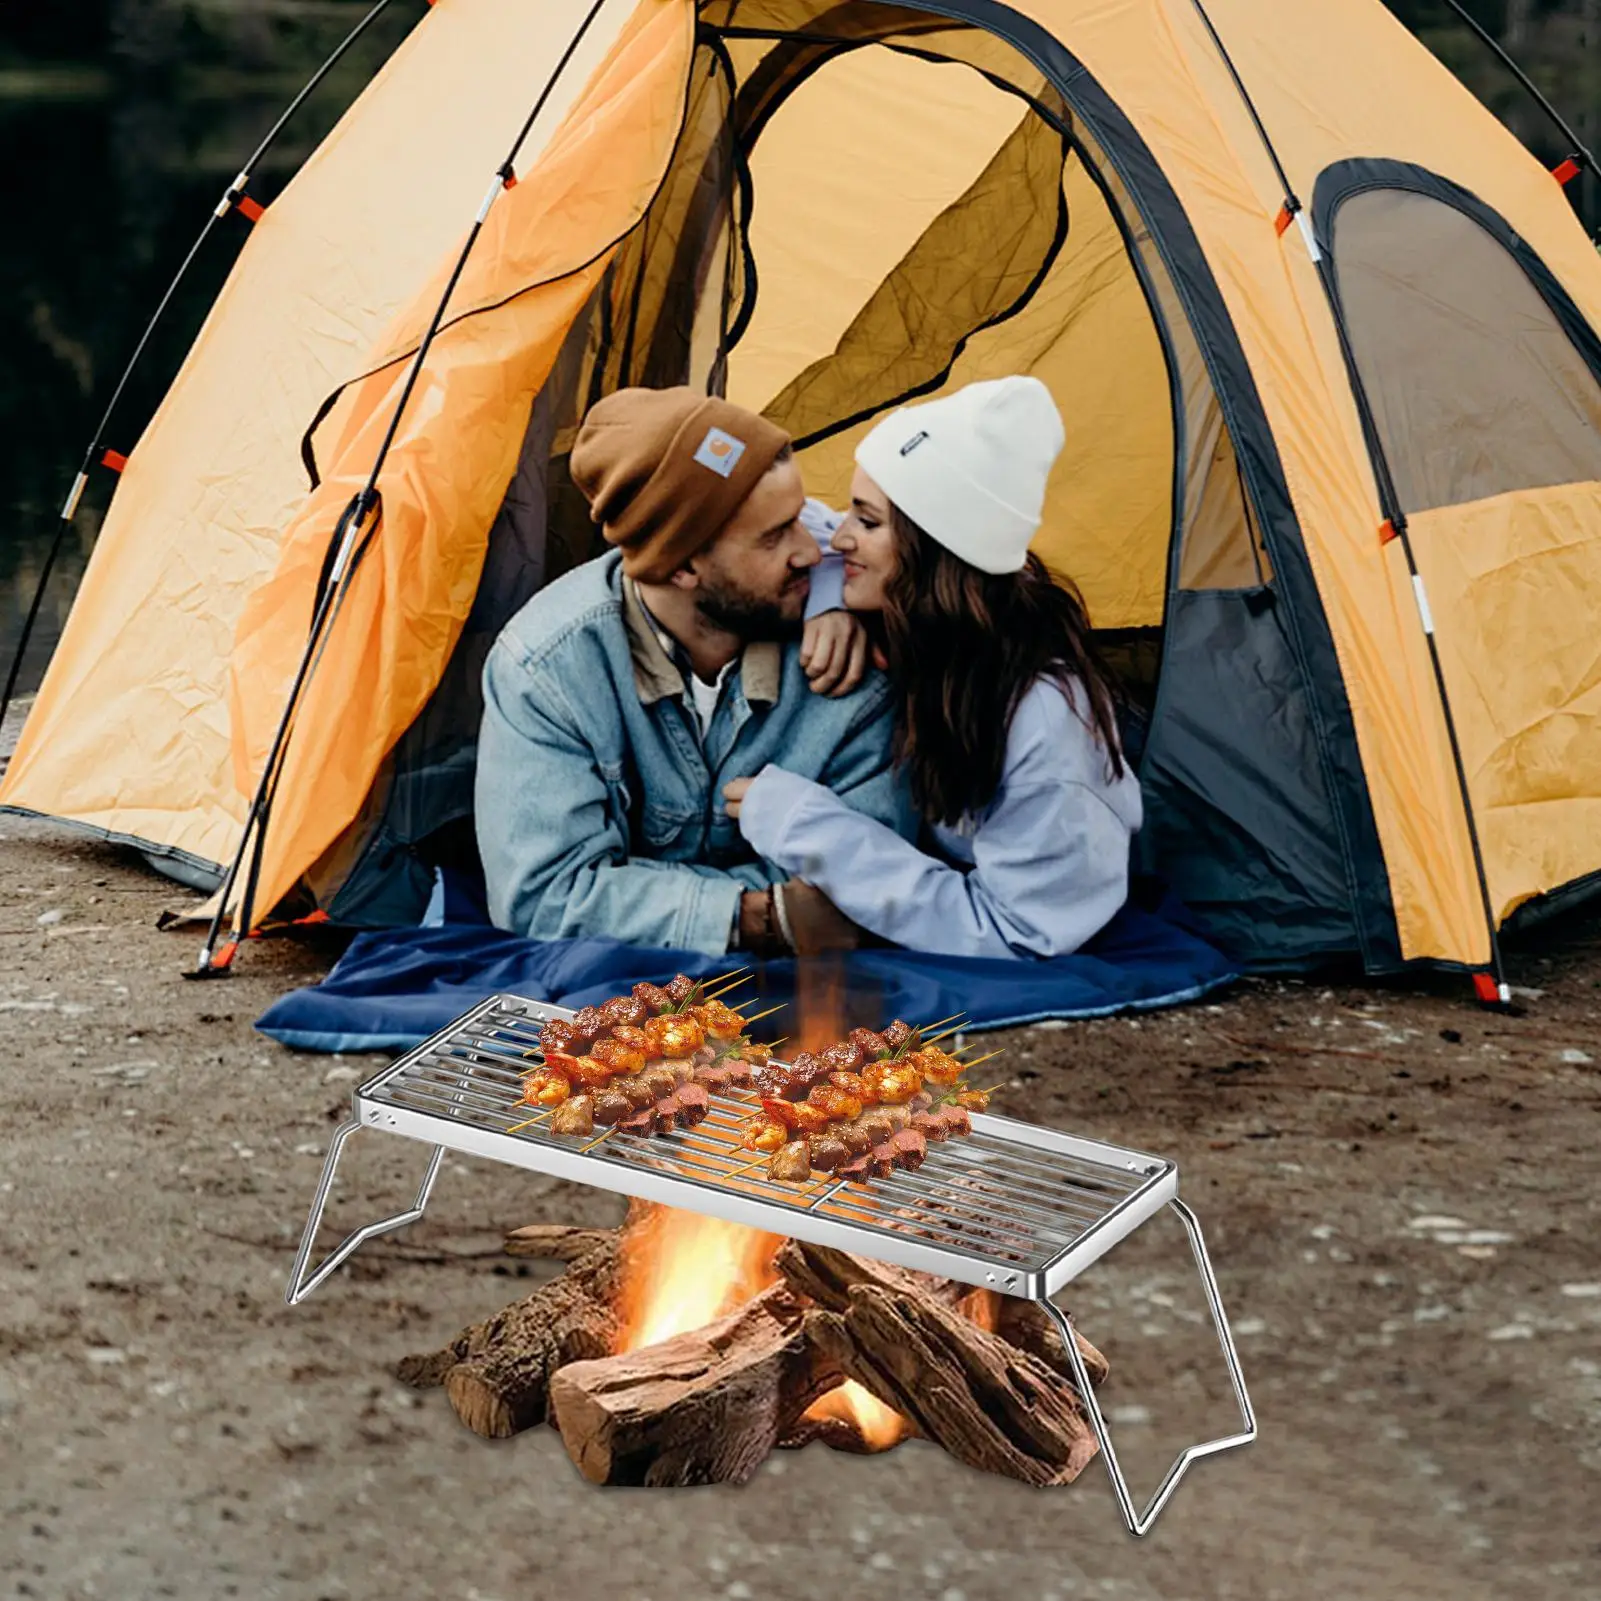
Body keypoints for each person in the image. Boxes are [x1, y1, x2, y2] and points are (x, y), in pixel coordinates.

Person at [475, 386, 914, 957]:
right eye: (776, 534)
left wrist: (628, 895)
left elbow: (866, 886)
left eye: (801, 518)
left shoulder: (848, 659)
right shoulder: (547, 670)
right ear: (681, 566)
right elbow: (543, 896)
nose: (812, 552)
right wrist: (759, 916)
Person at [725, 376, 1141, 960]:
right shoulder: (948, 622)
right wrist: (830, 601)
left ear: (936, 553)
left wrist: (812, 830)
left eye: (867, 523)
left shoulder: (1044, 725)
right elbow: (806, 523)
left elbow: (1018, 932)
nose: (838, 538)